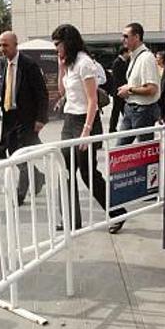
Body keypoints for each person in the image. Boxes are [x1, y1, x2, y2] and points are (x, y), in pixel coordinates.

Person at [51, 23, 126, 234]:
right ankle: (71, 219)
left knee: (88, 174)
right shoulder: (70, 63)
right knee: (64, 171)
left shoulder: (85, 63)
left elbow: (93, 100)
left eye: (58, 44)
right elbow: (61, 90)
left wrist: (86, 130)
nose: (56, 48)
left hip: (86, 122)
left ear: (69, 43)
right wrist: (60, 66)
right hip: (69, 120)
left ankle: (117, 212)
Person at [0, 31, 48, 205]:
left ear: (15, 45)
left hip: (26, 118)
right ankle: (38, 177)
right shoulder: (4, 63)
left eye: (5, 45)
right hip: (9, 117)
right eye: (0, 45)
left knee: (22, 156)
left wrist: (41, 118)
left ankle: (20, 194)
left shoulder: (29, 65)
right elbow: (4, 87)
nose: (2, 49)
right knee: (13, 154)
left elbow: (42, 93)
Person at [116, 22, 160, 145]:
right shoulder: (135, 56)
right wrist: (128, 89)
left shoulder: (146, 58)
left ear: (136, 37)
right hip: (131, 109)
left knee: (142, 152)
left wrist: (129, 90)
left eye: (126, 36)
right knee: (119, 151)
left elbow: (152, 89)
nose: (122, 40)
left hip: (143, 111)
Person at [108, 47, 130, 133]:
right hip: (118, 90)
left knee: (122, 109)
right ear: (124, 52)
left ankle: (126, 126)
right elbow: (117, 79)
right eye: (128, 52)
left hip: (121, 90)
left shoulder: (124, 62)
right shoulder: (117, 62)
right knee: (116, 110)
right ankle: (112, 128)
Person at [156, 50, 165, 123]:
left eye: (158, 58)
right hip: (157, 96)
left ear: (162, 59)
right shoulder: (155, 68)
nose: (156, 59)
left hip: (163, 96)